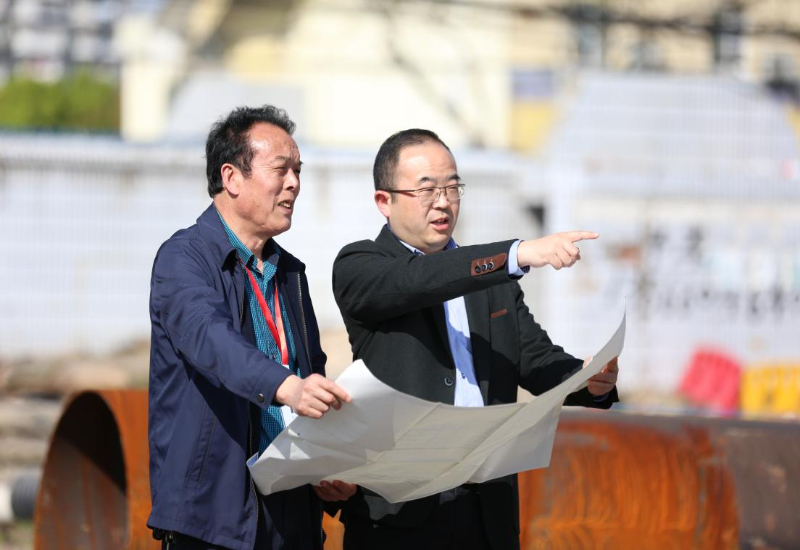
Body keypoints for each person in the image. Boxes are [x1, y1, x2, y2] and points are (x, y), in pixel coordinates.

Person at [331, 129, 620, 550]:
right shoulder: (362, 266)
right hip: (400, 515)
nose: (443, 202)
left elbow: (534, 359)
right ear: (384, 201)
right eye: (426, 190)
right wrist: (515, 254)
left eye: (452, 187)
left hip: (486, 511)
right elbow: (419, 280)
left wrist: (588, 379)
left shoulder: (491, 281)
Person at [148, 105, 355, 550]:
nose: (294, 183)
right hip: (214, 518)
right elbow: (211, 341)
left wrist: (325, 467)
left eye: (298, 170)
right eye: (281, 169)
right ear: (232, 177)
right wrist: (286, 386)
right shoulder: (183, 259)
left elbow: (309, 375)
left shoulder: (290, 273)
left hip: (291, 512)